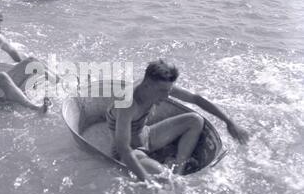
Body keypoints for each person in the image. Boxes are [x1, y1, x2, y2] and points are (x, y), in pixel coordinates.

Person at [107, 60, 250, 179]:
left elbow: (196, 98)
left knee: (195, 120)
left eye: (169, 90)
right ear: (147, 85)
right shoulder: (127, 103)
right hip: (131, 151)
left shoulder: (160, 87)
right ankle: (168, 175)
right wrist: (146, 180)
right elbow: (123, 149)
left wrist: (229, 121)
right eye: (163, 92)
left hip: (147, 135)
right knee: (165, 177)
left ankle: (179, 169)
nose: (166, 97)